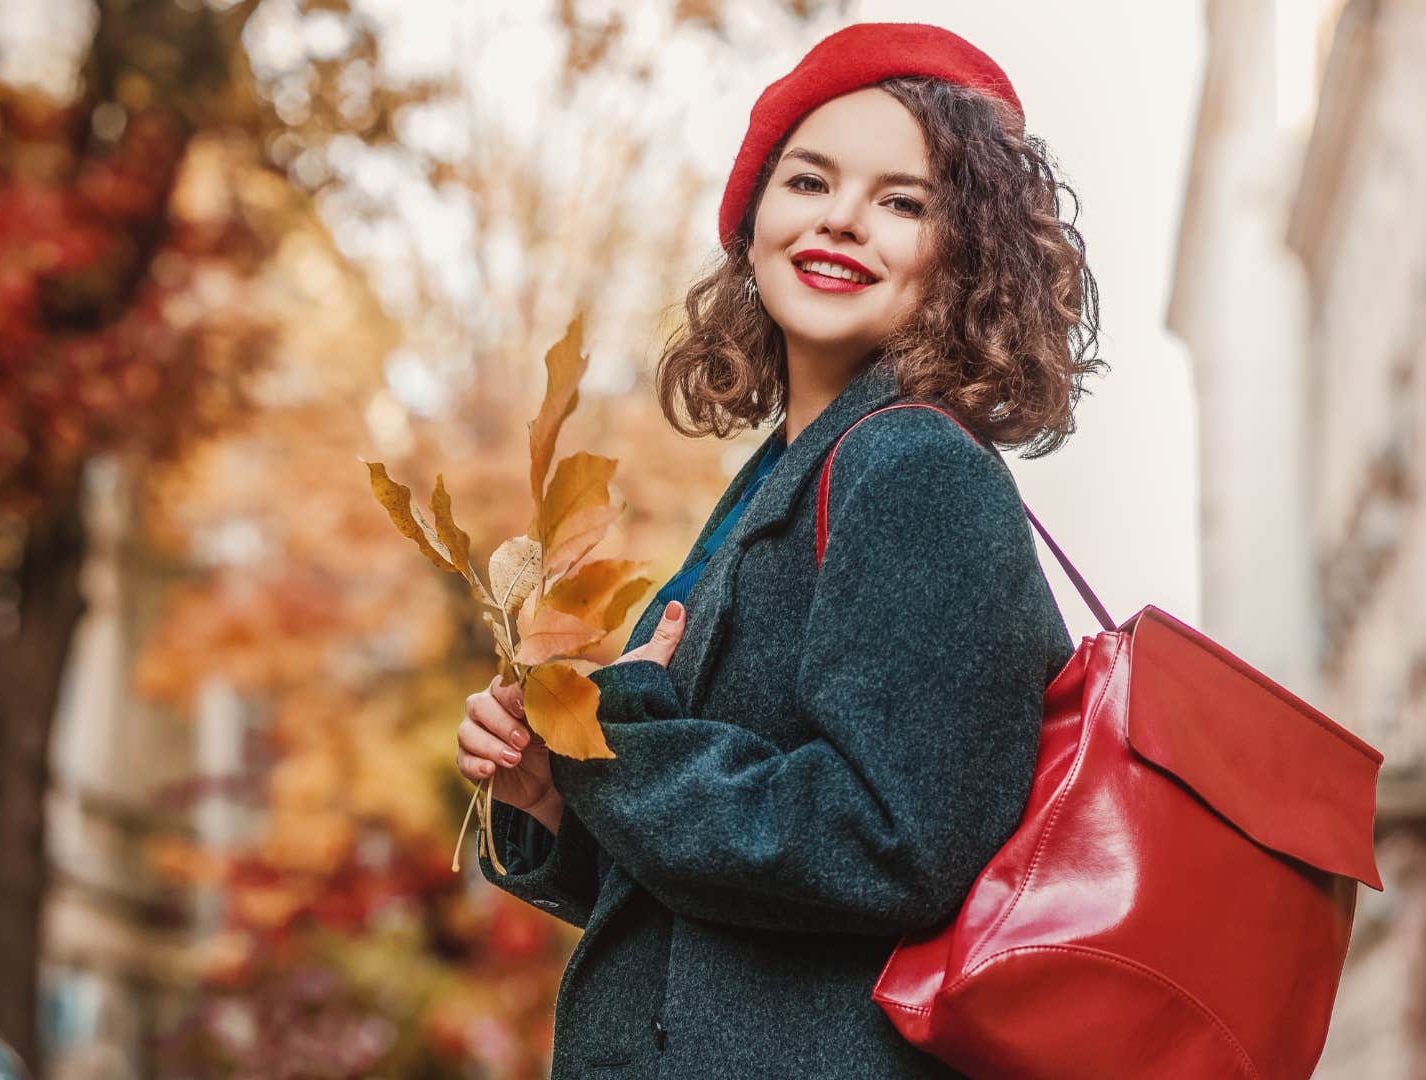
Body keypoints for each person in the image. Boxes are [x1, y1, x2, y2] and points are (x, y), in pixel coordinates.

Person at [455, 21, 1104, 1077]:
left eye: (904, 202)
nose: (843, 219)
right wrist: (554, 798)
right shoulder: (785, 477)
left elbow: (893, 844)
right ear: (754, 221)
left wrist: (617, 749)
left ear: (965, 256)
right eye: (810, 182)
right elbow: (716, 929)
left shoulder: (915, 472)